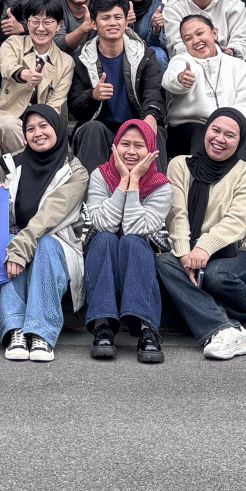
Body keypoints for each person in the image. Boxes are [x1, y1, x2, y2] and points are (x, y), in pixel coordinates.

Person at [155, 107, 246, 360]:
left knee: (215, 274)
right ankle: (222, 329)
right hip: (192, 250)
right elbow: (176, 213)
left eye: (230, 135)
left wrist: (203, 248)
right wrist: (185, 253)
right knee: (165, 262)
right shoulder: (179, 165)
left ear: (240, 142)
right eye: (215, 130)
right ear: (206, 131)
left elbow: (237, 221)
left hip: (242, 252)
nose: (220, 139)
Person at [0, 104, 91, 364]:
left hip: (58, 245)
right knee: (9, 240)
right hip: (21, 240)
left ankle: (41, 332)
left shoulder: (76, 172)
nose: (37, 133)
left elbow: (50, 214)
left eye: (43, 126)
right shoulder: (12, 164)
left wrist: (21, 246)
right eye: (30, 129)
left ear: (58, 129)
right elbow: (7, 217)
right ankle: (15, 328)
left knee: (45, 244)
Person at [81, 119, 172, 364]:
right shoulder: (100, 175)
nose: (131, 152)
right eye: (125, 144)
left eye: (139, 146)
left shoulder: (161, 187)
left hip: (140, 255)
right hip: (103, 252)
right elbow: (104, 224)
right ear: (114, 147)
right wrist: (123, 181)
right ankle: (103, 325)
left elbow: (134, 229)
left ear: (151, 151)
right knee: (105, 239)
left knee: (132, 242)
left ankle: (146, 327)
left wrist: (135, 182)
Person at [70, 0, 167, 170]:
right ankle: (90, 188)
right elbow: (76, 108)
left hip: (135, 126)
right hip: (102, 128)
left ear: (126, 21)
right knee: (92, 129)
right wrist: (92, 96)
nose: (113, 23)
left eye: (118, 17)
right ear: (94, 24)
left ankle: (157, 187)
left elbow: (154, 91)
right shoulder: (82, 59)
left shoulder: (144, 54)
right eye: (105, 18)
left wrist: (151, 115)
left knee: (155, 129)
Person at [162, 14, 246, 158]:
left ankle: (241, 174)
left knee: (238, 136)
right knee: (203, 134)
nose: (196, 41)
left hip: (232, 125)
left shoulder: (240, 67)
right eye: (188, 39)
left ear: (214, 33)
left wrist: (227, 121)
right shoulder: (183, 61)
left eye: (200, 33)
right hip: (190, 129)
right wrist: (181, 78)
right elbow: (170, 77)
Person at [0, 0, 73, 163]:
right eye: (35, 21)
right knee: (6, 124)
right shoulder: (12, 43)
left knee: (45, 134)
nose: (40, 28)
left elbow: (56, 104)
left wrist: (37, 130)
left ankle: (33, 164)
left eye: (48, 22)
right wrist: (23, 74)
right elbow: (7, 66)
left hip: (45, 126)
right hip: (13, 121)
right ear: (27, 23)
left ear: (59, 25)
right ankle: (37, 165)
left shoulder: (66, 62)